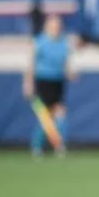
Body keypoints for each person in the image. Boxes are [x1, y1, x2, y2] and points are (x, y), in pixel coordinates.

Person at [24, 14, 74, 157]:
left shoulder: (64, 43)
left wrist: (71, 73)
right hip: (43, 82)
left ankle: (59, 145)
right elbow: (31, 65)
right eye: (53, 26)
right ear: (47, 27)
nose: (56, 29)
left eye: (58, 26)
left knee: (60, 115)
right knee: (46, 117)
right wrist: (28, 83)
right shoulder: (39, 42)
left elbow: (66, 63)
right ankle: (37, 146)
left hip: (58, 83)